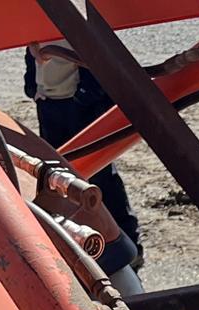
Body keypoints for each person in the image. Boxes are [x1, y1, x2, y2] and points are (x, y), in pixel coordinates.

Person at [24, 41, 143, 274]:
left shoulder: (71, 26)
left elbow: (94, 61)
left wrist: (84, 98)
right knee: (58, 174)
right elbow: (32, 59)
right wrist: (35, 91)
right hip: (51, 105)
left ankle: (127, 244)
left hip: (78, 106)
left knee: (100, 174)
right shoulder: (36, 30)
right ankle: (77, 240)